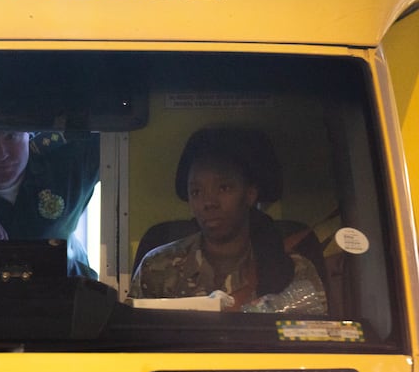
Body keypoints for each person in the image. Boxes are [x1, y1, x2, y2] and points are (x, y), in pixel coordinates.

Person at [128, 126, 327, 314]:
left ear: (249, 194)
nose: (208, 202)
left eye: (224, 188)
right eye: (196, 192)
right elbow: (133, 341)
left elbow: (316, 341)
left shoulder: (292, 269)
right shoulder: (158, 266)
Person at [0, 130, 99, 278]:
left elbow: (120, 138)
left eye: (10, 137)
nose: (1, 154)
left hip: (67, 287)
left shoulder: (65, 156)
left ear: (28, 132)